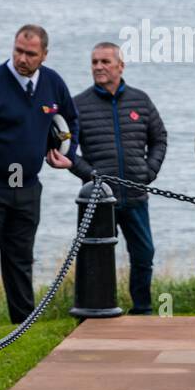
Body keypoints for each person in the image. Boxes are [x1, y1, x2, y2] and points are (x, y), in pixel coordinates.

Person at [0, 25, 77, 328]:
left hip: (27, 188)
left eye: (30, 53)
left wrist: (66, 150)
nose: (22, 58)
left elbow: (70, 120)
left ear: (44, 55)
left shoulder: (53, 83)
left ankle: (23, 324)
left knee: (20, 260)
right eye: (18, 50)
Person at [68, 42, 168, 314]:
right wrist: (91, 177)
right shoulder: (78, 105)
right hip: (99, 202)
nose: (98, 67)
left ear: (120, 66)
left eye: (105, 62)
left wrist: (149, 172)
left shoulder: (140, 100)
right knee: (97, 257)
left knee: (144, 255)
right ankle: (99, 308)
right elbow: (67, 150)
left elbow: (159, 138)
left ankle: (143, 308)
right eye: (94, 62)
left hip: (136, 195)